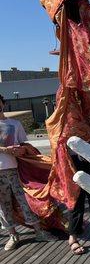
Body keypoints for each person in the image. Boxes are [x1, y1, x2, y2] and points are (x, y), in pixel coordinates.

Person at [0, 95, 55, 250]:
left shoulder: (15, 124)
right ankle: (13, 235)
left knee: (26, 200)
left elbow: (25, 144)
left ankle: (39, 231)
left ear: (3, 104)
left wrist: (21, 149)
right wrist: (5, 149)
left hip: (15, 169)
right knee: (3, 205)